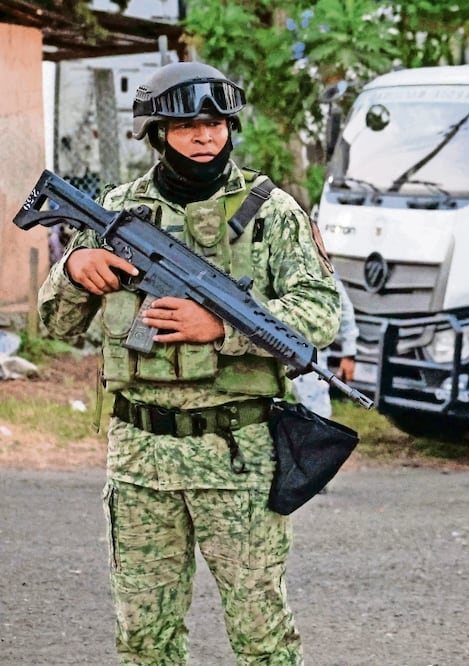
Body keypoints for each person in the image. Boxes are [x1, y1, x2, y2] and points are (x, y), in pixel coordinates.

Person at [38, 61, 340, 665]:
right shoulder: (117, 210)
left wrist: (222, 327)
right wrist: (73, 270)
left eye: (216, 124)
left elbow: (320, 313)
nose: (205, 136)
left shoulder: (273, 212)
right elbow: (57, 324)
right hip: (139, 457)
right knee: (144, 636)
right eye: (186, 126)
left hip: (236, 455)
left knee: (262, 636)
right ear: (156, 133)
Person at [291, 275, 359, 418]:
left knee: (317, 415)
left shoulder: (318, 266)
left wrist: (349, 353)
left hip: (311, 355)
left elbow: (343, 307)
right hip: (271, 353)